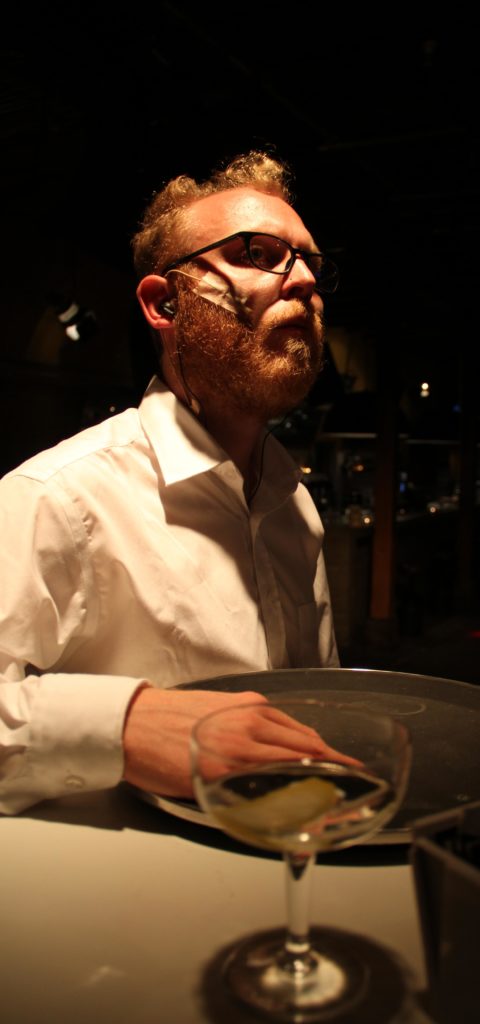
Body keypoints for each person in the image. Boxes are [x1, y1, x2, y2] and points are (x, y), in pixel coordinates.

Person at [0, 151, 342, 814]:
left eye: (310, 263)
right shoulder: (59, 496)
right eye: (257, 253)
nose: (302, 281)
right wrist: (122, 726)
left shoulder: (291, 500)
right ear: (165, 303)